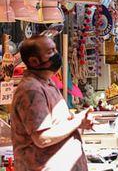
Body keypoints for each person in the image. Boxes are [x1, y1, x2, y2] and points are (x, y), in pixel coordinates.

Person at [11, 35, 93, 171]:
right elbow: (43, 138)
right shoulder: (31, 90)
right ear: (34, 61)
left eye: (55, 50)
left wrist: (80, 121)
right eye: (50, 52)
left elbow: (57, 124)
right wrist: (78, 121)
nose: (56, 55)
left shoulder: (47, 82)